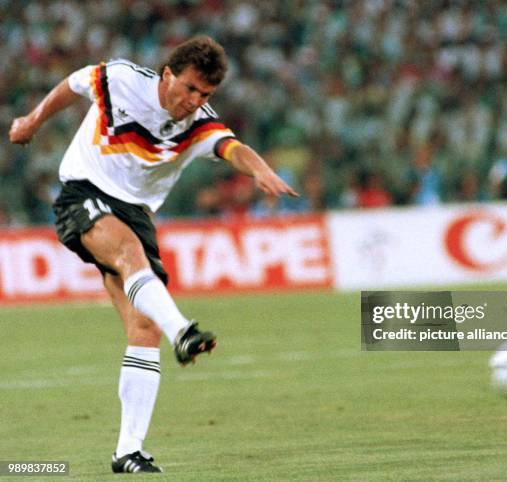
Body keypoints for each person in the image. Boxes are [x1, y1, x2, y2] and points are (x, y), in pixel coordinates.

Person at [9, 35, 297, 474]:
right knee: (128, 255)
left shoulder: (200, 123)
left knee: (144, 328)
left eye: (205, 94)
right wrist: (33, 119)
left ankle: (128, 451)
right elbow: (73, 83)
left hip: (135, 213)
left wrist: (259, 169)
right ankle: (183, 329)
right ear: (168, 75)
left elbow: (230, 147)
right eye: (189, 88)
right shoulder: (121, 79)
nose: (193, 100)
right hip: (83, 192)